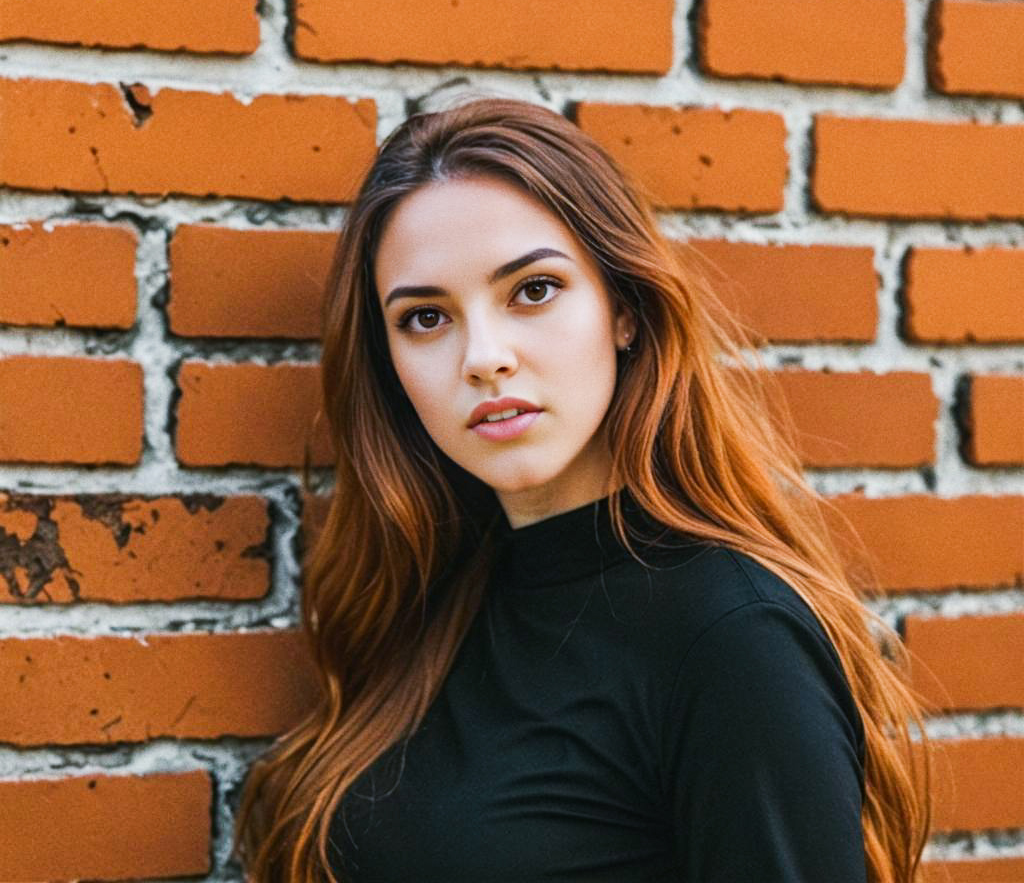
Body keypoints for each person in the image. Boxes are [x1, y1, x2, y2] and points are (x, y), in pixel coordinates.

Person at [234, 96, 934, 882]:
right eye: (426, 317)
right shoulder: (441, 596)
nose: (484, 357)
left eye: (532, 291)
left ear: (625, 309)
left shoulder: (735, 637)